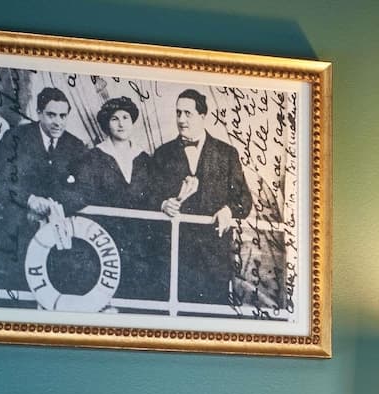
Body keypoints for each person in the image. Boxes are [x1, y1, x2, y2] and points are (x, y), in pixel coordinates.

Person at [152, 88, 253, 305]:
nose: (181, 119)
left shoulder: (227, 153)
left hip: (214, 255)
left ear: (202, 116)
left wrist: (228, 211)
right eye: (178, 113)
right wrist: (163, 204)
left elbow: (244, 200)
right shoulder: (162, 154)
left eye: (188, 113)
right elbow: (149, 195)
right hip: (174, 252)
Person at [0, 87, 86, 291]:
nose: (58, 122)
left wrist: (53, 205)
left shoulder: (75, 146)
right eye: (51, 115)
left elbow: (85, 190)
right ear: (39, 113)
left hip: (59, 230)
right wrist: (29, 200)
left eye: (63, 116)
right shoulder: (16, 137)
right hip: (18, 228)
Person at [69, 96, 165, 300]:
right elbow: (84, 193)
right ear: (107, 123)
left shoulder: (144, 159)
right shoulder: (93, 157)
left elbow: (155, 195)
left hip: (140, 240)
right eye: (115, 119)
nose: (121, 124)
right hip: (105, 238)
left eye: (125, 118)